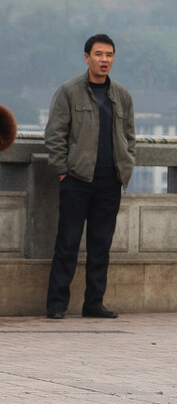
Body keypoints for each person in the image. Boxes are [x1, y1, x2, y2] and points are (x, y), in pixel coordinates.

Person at [44, 34, 135, 319]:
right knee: (67, 243)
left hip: (110, 182)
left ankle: (93, 303)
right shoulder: (69, 91)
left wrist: (127, 163)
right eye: (98, 54)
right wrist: (62, 170)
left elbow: (129, 136)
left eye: (109, 54)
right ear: (87, 57)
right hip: (77, 180)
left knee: (101, 246)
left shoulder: (121, 95)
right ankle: (57, 305)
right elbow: (55, 134)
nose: (104, 59)